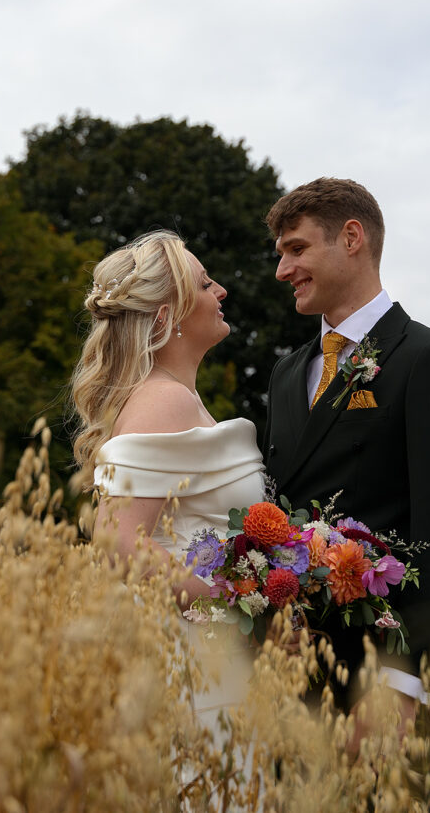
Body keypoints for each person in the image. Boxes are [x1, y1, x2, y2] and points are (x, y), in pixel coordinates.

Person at [262, 178, 430, 755]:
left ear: (353, 238)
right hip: (286, 681)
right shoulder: (288, 375)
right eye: (282, 254)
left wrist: (403, 685)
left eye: (297, 249)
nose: (283, 270)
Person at [71, 229, 266, 743]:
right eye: (205, 284)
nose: (221, 290)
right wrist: (235, 609)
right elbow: (118, 540)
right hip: (195, 658)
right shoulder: (163, 402)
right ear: (167, 317)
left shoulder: (177, 399)